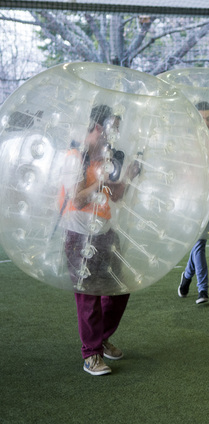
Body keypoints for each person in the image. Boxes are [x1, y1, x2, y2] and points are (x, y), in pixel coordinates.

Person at [61, 104, 140, 376]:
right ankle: (91, 354)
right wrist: (101, 181)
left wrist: (128, 176)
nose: (115, 134)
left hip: (105, 232)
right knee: (89, 295)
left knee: (120, 288)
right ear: (97, 127)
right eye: (112, 128)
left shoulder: (104, 159)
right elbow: (78, 198)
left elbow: (115, 196)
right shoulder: (75, 156)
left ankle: (102, 339)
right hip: (78, 235)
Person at [178, 101, 209, 304]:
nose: (206, 122)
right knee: (198, 242)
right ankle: (203, 290)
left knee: (200, 240)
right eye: (202, 118)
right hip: (194, 197)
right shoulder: (188, 139)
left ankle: (186, 277)